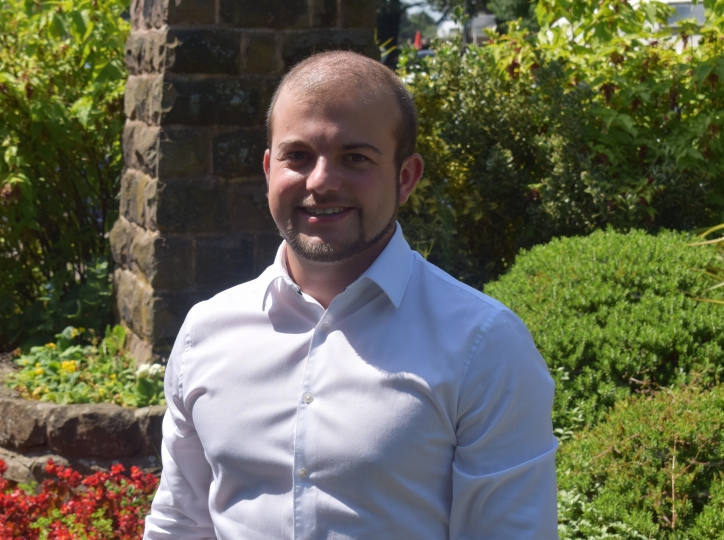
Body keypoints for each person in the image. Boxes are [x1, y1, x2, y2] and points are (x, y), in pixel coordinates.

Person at [143, 50, 558, 539]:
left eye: (355, 158)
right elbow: (181, 524)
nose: (321, 181)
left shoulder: (483, 345)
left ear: (405, 177)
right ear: (267, 167)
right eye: (297, 156)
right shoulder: (206, 333)